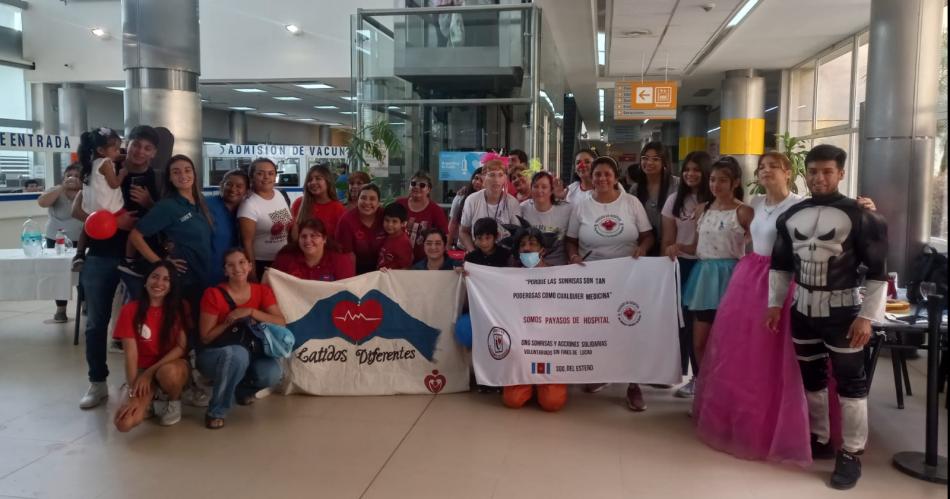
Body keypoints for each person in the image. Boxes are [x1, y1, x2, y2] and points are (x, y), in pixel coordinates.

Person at [767, 144, 888, 490]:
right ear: (805, 173)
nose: (819, 178)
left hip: (844, 312)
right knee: (812, 377)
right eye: (813, 171)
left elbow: (878, 272)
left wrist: (867, 317)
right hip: (802, 309)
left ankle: (851, 452)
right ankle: (819, 436)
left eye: (827, 171)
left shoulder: (864, 217)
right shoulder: (790, 216)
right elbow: (781, 265)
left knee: (851, 383)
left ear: (841, 174)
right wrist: (774, 304)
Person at [689, 151, 810, 465]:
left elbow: (831, 216)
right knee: (742, 351)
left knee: (776, 352)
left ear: (788, 171)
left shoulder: (801, 205)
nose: (766, 171)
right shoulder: (754, 204)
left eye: (774, 166)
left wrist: (863, 206)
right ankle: (739, 414)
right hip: (750, 278)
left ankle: (781, 422)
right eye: (762, 167)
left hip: (783, 278)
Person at [74, 125, 160, 410]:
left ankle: (143, 382)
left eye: (147, 148)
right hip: (102, 255)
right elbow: (77, 210)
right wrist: (112, 222)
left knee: (145, 323)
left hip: (140, 260)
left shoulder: (156, 179)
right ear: (127, 144)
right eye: (136, 144)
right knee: (96, 322)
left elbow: (167, 216)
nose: (140, 152)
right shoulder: (102, 168)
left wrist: (150, 203)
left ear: (154, 153)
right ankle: (97, 382)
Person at [565, 156, 654, 411]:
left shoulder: (631, 203)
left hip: (628, 276)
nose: (602, 178)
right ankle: (601, 372)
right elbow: (570, 240)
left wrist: (642, 249)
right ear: (591, 178)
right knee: (598, 327)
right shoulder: (581, 206)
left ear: (615, 177)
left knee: (629, 327)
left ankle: (633, 384)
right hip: (593, 277)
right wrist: (573, 255)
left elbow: (648, 236)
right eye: (597, 174)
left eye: (607, 174)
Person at [197, 249, 288, 429]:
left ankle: (241, 391)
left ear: (250, 266)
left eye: (241, 262)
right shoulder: (213, 294)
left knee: (273, 373)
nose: (237, 268)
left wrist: (251, 312)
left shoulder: (262, 291)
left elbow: (281, 322)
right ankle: (216, 411)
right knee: (237, 354)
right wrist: (230, 321)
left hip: (251, 351)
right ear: (225, 271)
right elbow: (205, 338)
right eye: (230, 265)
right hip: (214, 355)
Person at [679, 157, 753, 375]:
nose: (715, 185)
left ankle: (728, 385)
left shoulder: (744, 212)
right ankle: (705, 385)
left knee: (729, 341)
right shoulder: (702, 209)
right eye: (712, 179)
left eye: (722, 180)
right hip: (703, 277)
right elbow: (696, 247)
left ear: (735, 182)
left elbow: (754, 252)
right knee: (699, 341)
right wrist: (678, 247)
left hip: (733, 278)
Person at [129, 155, 215, 317]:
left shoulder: (199, 201)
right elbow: (135, 236)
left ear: (194, 173)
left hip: (203, 274)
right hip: (184, 279)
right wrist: (160, 263)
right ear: (169, 178)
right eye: (176, 172)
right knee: (185, 324)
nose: (183, 175)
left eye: (187, 170)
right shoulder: (168, 206)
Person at [112, 261, 190, 431]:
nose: (159, 283)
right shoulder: (129, 310)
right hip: (142, 370)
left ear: (171, 286)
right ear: (146, 280)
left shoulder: (180, 307)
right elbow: (131, 355)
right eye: (155, 277)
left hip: (170, 365)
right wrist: (133, 392)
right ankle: (153, 399)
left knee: (168, 373)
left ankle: (174, 401)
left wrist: (150, 372)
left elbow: (181, 348)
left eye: (166, 279)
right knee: (123, 423)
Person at [660, 151, 712, 398]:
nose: (690, 174)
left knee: (702, 326)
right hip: (680, 266)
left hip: (707, 268)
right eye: (687, 170)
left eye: (696, 170)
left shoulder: (714, 201)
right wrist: (667, 260)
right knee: (683, 324)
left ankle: (705, 378)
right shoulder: (674, 200)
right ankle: (689, 375)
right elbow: (667, 239)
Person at [501, 224, 568, 412]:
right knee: (513, 401)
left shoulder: (559, 276)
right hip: (522, 346)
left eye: (532, 244)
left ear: (542, 250)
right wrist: (470, 275)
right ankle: (527, 383)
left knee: (552, 403)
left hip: (551, 347)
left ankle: (546, 383)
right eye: (522, 245)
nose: (527, 248)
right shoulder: (510, 277)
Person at [73, 127, 137, 274]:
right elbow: (114, 184)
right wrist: (122, 174)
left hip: (93, 211)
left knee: (86, 228)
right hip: (110, 210)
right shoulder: (106, 163)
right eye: (115, 149)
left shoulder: (90, 164)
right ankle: (129, 260)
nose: (118, 153)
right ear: (101, 150)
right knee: (135, 229)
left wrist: (118, 157)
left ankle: (80, 254)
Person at [37, 163, 83, 323]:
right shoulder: (56, 190)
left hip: (82, 239)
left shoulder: (87, 191)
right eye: (69, 175)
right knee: (59, 274)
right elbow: (42, 202)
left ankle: (85, 303)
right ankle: (61, 309)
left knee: (83, 273)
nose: (72, 179)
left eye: (77, 176)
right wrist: (61, 188)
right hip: (56, 239)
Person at [238, 158, 293, 281]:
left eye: (271, 173)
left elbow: (289, 225)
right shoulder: (249, 205)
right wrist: (252, 272)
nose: (266, 177)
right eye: (260, 173)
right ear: (251, 177)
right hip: (262, 264)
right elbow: (247, 243)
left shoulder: (279, 195)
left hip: (284, 259)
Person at [459, 159, 521, 251]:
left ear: (505, 178)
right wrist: (473, 253)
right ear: (483, 178)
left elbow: (517, 235)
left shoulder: (512, 203)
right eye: (491, 175)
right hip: (478, 252)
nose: (496, 180)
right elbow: (463, 231)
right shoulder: (472, 200)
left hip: (505, 254)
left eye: (500, 175)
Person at [629, 142, 679, 256]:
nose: (649, 162)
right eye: (645, 158)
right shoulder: (635, 189)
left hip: (671, 247)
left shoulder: (677, 185)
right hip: (643, 247)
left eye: (655, 159)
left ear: (664, 162)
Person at [273, 219, 356, 281]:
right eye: (303, 236)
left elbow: (347, 290)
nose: (308, 241)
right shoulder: (285, 259)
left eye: (314, 236)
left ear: (324, 239)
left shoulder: (341, 261)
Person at [205, 169, 249, 285]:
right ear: (221, 185)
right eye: (229, 184)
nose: (233, 189)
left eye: (239, 186)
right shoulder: (206, 204)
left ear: (247, 190)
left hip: (234, 275)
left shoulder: (247, 211)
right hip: (206, 273)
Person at [519, 171, 572, 266]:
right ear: (531, 188)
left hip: (558, 267)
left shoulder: (567, 209)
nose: (539, 190)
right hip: (532, 266)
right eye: (536, 186)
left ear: (551, 190)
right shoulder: (523, 208)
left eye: (544, 187)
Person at [396, 171, 449, 262]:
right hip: (398, 258)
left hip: (424, 262)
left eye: (422, 185)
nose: (416, 187)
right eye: (413, 184)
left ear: (429, 189)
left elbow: (445, 236)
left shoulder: (436, 210)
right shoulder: (399, 203)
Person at [335, 183, 386, 275]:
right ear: (357, 200)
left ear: (379, 203)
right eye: (363, 198)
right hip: (356, 270)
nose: (367, 202)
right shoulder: (346, 221)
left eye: (372, 199)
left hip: (383, 269)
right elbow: (347, 255)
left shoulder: (385, 217)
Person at [290, 164, 346, 243]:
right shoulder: (299, 203)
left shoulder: (338, 208)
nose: (313, 182)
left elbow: (341, 240)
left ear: (328, 182)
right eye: (310, 180)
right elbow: (293, 238)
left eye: (318, 178)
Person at [448, 167, 483, 249]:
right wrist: (447, 245)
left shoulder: (489, 200)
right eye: (476, 178)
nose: (477, 182)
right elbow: (453, 222)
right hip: (462, 246)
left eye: (481, 180)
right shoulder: (461, 197)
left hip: (483, 247)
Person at [378, 202, 414, 271]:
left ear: (403, 223)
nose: (389, 225)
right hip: (381, 273)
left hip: (391, 276)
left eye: (394, 221)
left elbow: (406, 268)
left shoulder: (404, 243)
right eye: (387, 220)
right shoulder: (387, 235)